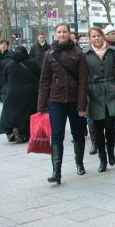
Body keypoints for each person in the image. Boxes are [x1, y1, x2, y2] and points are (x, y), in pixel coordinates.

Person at [37, 22, 89, 185]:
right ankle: (56, 171)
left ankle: (79, 163)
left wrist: (82, 106)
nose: (62, 34)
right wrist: (41, 105)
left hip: (74, 100)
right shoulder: (49, 54)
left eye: (64, 32)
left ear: (69, 33)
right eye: (59, 32)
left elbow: (83, 81)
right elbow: (44, 80)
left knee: (78, 133)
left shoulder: (78, 53)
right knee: (57, 135)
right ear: (55, 33)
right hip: (56, 100)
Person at [84, 26, 115, 172]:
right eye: (93, 36)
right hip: (94, 92)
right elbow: (83, 74)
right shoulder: (85, 54)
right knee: (98, 128)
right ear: (90, 39)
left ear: (103, 36)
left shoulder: (113, 52)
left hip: (110, 90)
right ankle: (102, 158)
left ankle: (110, 149)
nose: (96, 38)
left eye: (98, 36)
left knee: (110, 126)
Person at [0, 46, 40, 143]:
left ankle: (12, 129)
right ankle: (25, 133)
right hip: (30, 94)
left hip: (13, 93)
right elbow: (40, 75)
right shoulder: (33, 63)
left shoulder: (9, 65)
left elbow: (5, 78)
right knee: (28, 113)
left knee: (12, 113)